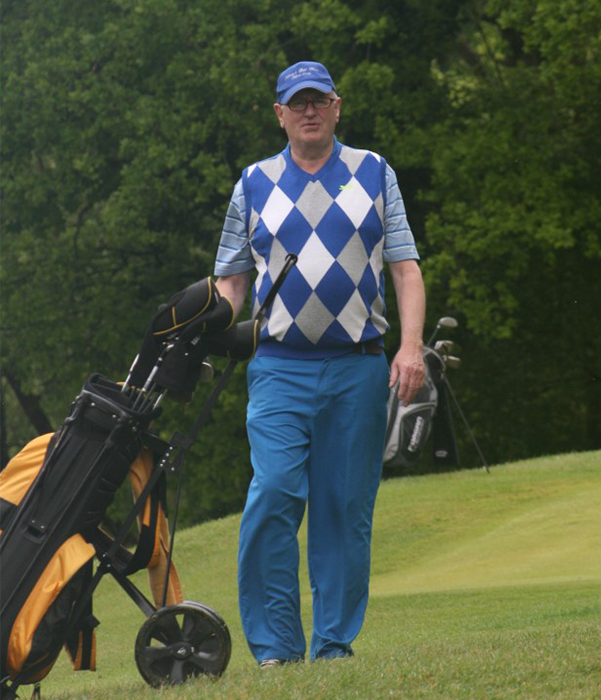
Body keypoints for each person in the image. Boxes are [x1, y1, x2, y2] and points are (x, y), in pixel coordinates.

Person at [214, 60, 426, 666]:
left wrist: (410, 347)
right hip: (278, 366)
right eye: (296, 102)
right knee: (275, 489)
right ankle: (276, 648)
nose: (309, 111)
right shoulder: (252, 183)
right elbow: (230, 284)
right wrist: (207, 334)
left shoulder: (374, 172)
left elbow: (405, 269)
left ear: (337, 107)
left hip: (359, 366)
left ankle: (333, 646)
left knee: (343, 507)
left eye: (319, 100)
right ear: (279, 114)